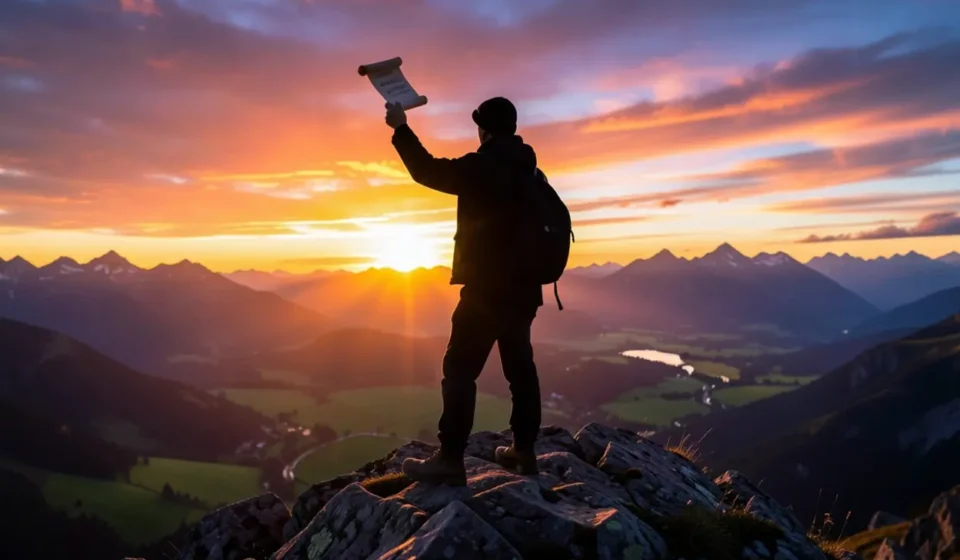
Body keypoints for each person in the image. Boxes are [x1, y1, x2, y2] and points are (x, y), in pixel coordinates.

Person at [384, 97, 543, 486]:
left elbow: (425, 170)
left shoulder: (481, 167)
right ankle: (523, 452)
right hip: (525, 290)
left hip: (487, 291)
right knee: (520, 371)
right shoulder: (532, 172)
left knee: (459, 371)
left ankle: (450, 460)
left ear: (483, 129)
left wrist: (400, 128)